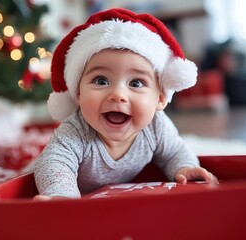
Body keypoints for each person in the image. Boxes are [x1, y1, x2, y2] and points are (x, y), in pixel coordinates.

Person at [34, 8, 218, 200]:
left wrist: (184, 167)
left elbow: (174, 152)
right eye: (101, 81)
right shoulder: (76, 130)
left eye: (136, 83)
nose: (118, 94)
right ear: (78, 93)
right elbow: (54, 162)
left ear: (160, 99)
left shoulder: (156, 126)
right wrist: (62, 196)